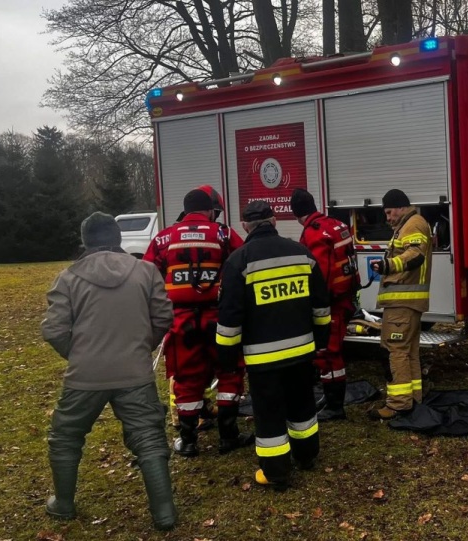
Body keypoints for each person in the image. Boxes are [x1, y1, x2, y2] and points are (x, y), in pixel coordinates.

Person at [41, 212, 177, 530]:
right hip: (135, 372)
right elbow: (163, 317)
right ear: (117, 239)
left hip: (84, 375)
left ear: (85, 242)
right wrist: (141, 348)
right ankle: (165, 514)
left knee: (65, 436)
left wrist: (79, 355)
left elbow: (54, 330)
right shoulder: (146, 272)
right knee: (149, 438)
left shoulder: (68, 278)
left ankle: (63, 504)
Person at [216, 200, 332, 490]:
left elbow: (230, 319)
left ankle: (276, 472)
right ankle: (306, 456)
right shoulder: (302, 254)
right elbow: (321, 306)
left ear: (244, 225)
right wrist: (321, 341)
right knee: (303, 406)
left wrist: (227, 360)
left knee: (269, 415)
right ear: (275, 220)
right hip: (302, 351)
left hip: (262, 359)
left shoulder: (238, 262)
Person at [143, 185, 253, 457]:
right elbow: (243, 264)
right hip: (220, 319)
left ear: (186, 209)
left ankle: (189, 441)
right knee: (229, 373)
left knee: (187, 379)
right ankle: (229, 435)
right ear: (208, 210)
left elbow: (147, 279)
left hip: (181, 322)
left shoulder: (163, 238)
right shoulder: (223, 233)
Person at [291, 188, 361, 421]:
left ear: (295, 213)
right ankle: (330, 399)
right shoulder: (336, 224)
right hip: (345, 298)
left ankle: (335, 405)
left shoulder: (314, 234)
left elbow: (319, 276)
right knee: (331, 352)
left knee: (328, 354)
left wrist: (310, 305)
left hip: (332, 303)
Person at [368, 189, 433, 421]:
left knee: (394, 351)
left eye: (388, 212)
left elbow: (415, 255)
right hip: (407, 303)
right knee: (409, 351)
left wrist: (388, 265)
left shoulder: (413, 225)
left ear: (399, 207)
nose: (387, 218)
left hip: (402, 304)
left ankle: (398, 404)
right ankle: (414, 398)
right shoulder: (410, 224)